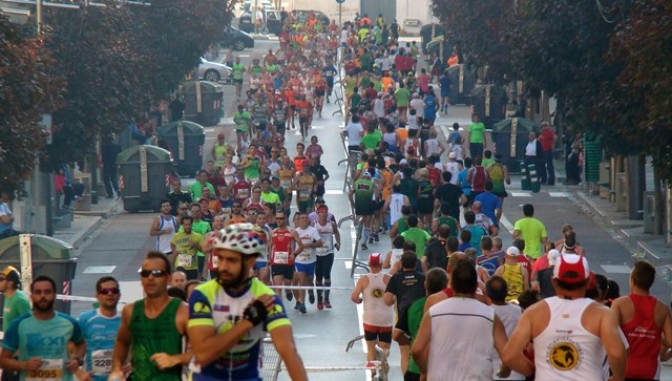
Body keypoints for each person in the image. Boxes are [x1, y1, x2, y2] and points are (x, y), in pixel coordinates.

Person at [187, 223, 308, 381]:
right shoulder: (203, 294)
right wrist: (247, 322)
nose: (223, 266)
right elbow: (203, 354)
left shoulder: (266, 297)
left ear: (250, 261)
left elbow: (289, 351)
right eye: (220, 258)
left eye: (231, 260)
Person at [502, 254, 627, 380]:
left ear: (554, 281)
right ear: (588, 282)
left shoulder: (534, 312)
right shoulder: (603, 314)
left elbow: (509, 355)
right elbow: (617, 353)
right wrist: (618, 377)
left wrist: (532, 371)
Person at [411, 261, 510, 381]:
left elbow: (417, 350)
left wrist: (425, 370)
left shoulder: (434, 313)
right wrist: (503, 373)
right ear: (475, 286)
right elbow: (507, 355)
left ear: (451, 284)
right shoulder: (490, 315)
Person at [0, 276, 90, 381]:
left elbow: (81, 343)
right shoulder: (19, 325)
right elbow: (3, 360)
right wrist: (24, 365)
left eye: (47, 292)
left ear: (54, 295)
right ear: (32, 296)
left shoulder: (69, 323)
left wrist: (78, 359)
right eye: (38, 292)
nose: (43, 296)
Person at [611, 259, 672, 380]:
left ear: (633, 281)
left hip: (624, 370)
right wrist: (653, 335)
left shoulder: (619, 304)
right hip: (650, 372)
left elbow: (612, 337)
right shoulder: (663, 308)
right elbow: (670, 342)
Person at [401, 268, 448, 381]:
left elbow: (397, 334)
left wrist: (410, 341)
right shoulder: (450, 307)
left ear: (425, 284)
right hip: (442, 368)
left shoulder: (413, 306)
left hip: (415, 366)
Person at [384, 252, 426, 375]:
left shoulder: (396, 278)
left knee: (405, 354)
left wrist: (395, 300)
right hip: (420, 318)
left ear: (401, 264)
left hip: (403, 320)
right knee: (421, 351)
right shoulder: (422, 277)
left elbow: (387, 300)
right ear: (415, 264)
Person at [351, 253, 394, 371]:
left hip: (370, 319)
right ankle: (382, 365)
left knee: (371, 349)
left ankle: (373, 373)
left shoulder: (363, 279)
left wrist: (360, 300)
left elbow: (354, 296)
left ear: (369, 264)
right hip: (385, 319)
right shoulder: (389, 279)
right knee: (385, 349)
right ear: (381, 264)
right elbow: (395, 297)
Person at [79, 276, 123, 381]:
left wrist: (132, 364)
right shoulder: (86, 319)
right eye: (105, 291)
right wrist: (79, 372)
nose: (110, 293)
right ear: (97, 296)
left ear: (119, 295)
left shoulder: (126, 319)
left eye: (114, 290)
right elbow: (75, 348)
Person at [485, 276, 525, 381]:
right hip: (518, 372)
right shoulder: (519, 311)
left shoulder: (486, 313)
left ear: (487, 294)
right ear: (506, 292)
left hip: (493, 372)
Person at [0, 266, 30, 381]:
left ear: (10, 283)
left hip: (17, 354)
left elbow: (29, 324)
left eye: (1, 279)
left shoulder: (20, 300)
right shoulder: (8, 298)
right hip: (9, 351)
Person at [269, 210, 304, 302]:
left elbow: (301, 246)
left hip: (288, 263)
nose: (278, 220)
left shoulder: (292, 232)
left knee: (287, 284)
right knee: (278, 288)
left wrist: (295, 254)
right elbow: (270, 246)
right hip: (276, 263)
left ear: (285, 219)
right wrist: (269, 259)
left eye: (281, 218)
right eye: (277, 218)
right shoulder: (272, 233)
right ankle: (280, 309)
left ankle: (288, 291)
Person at [292, 212, 322, 314]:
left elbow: (320, 243)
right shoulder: (295, 232)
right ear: (299, 221)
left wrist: (310, 245)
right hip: (299, 261)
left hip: (311, 260)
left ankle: (311, 291)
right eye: (302, 218)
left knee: (309, 281)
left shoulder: (313, 230)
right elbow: (290, 243)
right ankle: (302, 303)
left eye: (306, 218)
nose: (304, 219)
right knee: (301, 281)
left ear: (309, 220)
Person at [313, 204, 340, 310]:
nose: (324, 214)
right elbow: (310, 236)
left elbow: (337, 233)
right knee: (318, 277)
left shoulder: (331, 224)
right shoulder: (314, 224)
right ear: (318, 214)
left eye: (325, 212)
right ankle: (319, 299)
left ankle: (327, 299)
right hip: (317, 254)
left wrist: (338, 243)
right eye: (322, 212)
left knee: (327, 274)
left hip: (329, 252)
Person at [538, 121, 556, 186]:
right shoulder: (543, 133)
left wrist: (553, 145)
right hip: (544, 150)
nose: (544, 127)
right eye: (543, 126)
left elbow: (554, 137)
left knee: (549, 166)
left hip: (548, 150)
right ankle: (544, 179)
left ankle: (551, 180)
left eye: (545, 125)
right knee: (543, 165)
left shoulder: (549, 132)